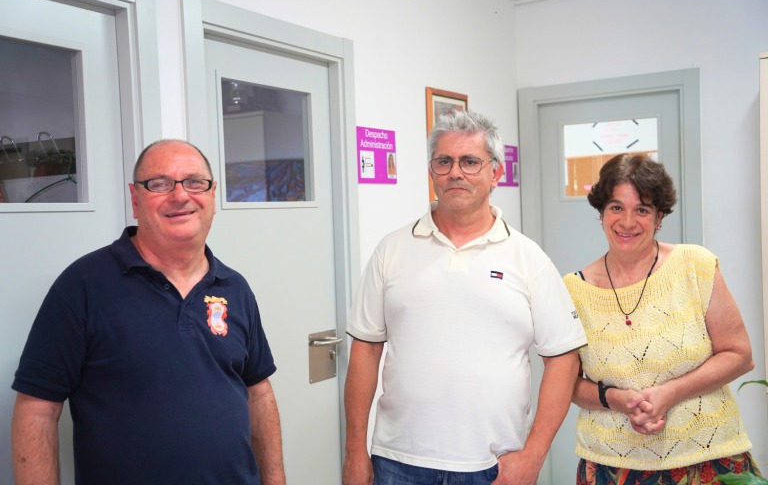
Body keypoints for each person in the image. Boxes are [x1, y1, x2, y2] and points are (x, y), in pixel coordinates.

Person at [11, 139, 286, 485]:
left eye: (194, 182)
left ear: (213, 195)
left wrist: (275, 480)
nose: (180, 195)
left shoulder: (234, 287)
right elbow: (37, 409)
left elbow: (257, 391)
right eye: (159, 184)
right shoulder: (82, 286)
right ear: (135, 199)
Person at [342, 109, 588, 485]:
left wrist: (534, 456)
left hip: (494, 465)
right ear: (431, 172)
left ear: (495, 173)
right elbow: (365, 351)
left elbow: (564, 358)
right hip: (396, 461)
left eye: (470, 161)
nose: (455, 172)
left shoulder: (528, 258)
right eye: (444, 162)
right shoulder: (391, 250)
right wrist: (354, 450)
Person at [564, 153, 761, 484]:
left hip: (708, 458)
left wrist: (669, 394)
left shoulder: (694, 265)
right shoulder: (573, 289)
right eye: (616, 207)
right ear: (601, 213)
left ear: (659, 218)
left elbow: (740, 355)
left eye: (642, 209)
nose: (627, 222)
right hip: (611, 467)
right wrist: (616, 400)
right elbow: (568, 385)